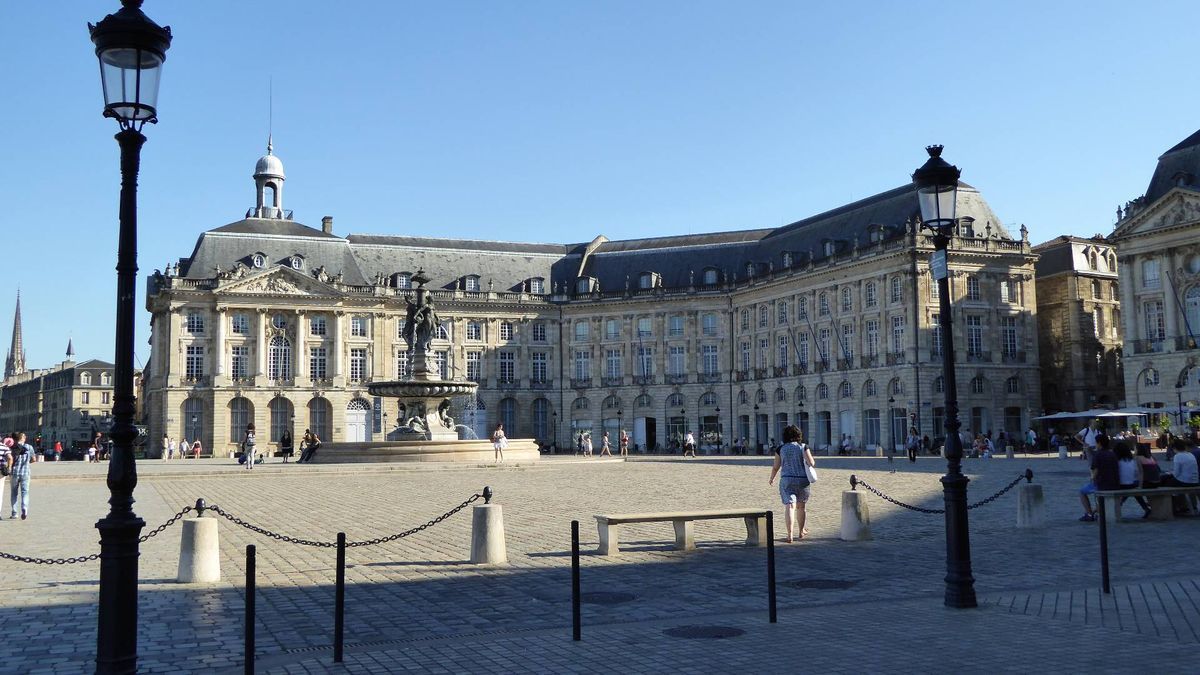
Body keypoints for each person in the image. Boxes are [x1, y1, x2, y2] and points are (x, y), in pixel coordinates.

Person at [768, 425, 815, 543]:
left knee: (790, 506)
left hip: (787, 480)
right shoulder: (803, 446)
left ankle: (790, 535)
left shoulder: (780, 449)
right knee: (801, 506)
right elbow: (811, 462)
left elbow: (776, 467)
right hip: (802, 480)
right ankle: (801, 531)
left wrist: (772, 478)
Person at [1078, 433, 1118, 521]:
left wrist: (1092, 478)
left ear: (1099, 443)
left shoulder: (1098, 455)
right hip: (1114, 483)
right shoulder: (1112, 454)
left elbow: (1095, 471)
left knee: (1082, 492)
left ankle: (1089, 514)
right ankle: (1095, 511)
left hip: (1102, 484)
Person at [1115, 442, 1151, 518]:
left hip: (1121, 485)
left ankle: (1119, 505)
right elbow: (1137, 472)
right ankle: (1145, 508)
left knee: (1125, 491)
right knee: (1134, 492)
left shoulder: (1117, 461)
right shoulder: (1132, 460)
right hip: (1132, 484)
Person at [9, 432, 33, 519]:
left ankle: (14, 513)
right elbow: (33, 459)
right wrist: (27, 462)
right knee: (25, 492)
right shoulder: (29, 447)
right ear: (23, 438)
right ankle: (24, 508)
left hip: (14, 472)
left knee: (14, 493)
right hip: (25, 472)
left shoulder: (12, 447)